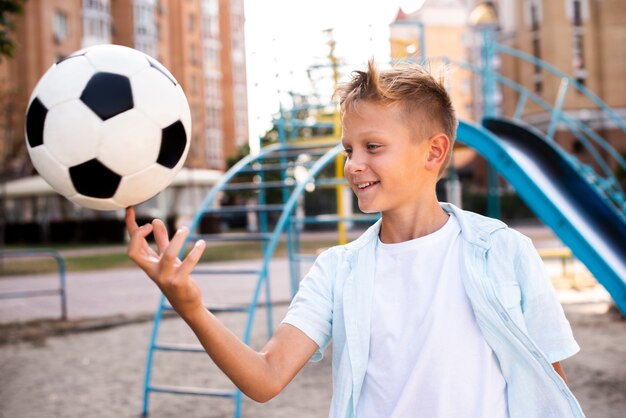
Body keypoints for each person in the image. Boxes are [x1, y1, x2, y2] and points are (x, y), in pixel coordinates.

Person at [126, 61, 585, 417]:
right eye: (349, 149)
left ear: (435, 151)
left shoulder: (505, 251)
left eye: (373, 147)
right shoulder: (338, 269)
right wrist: (188, 305)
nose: (353, 164)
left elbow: (548, 387)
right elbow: (265, 378)